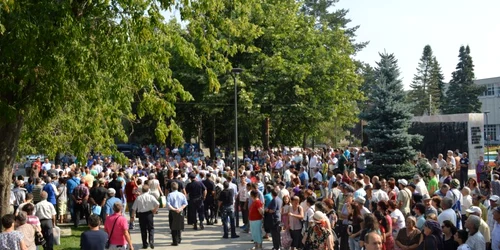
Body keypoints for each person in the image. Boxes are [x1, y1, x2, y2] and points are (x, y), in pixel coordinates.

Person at [131, 184, 159, 249]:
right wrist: (154, 210)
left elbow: (134, 208)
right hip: (149, 213)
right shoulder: (151, 196)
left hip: (141, 214)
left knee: (143, 229)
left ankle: (145, 244)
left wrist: (132, 217)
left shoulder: (139, 198)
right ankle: (151, 240)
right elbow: (157, 204)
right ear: (148, 190)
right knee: (151, 228)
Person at [166, 181, 188, 246]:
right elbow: (185, 203)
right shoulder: (182, 194)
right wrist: (180, 208)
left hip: (173, 211)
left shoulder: (170, 195)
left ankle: (175, 241)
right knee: (179, 225)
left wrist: (174, 209)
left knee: (173, 226)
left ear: (171, 188)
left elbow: (168, 204)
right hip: (180, 211)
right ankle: (179, 238)